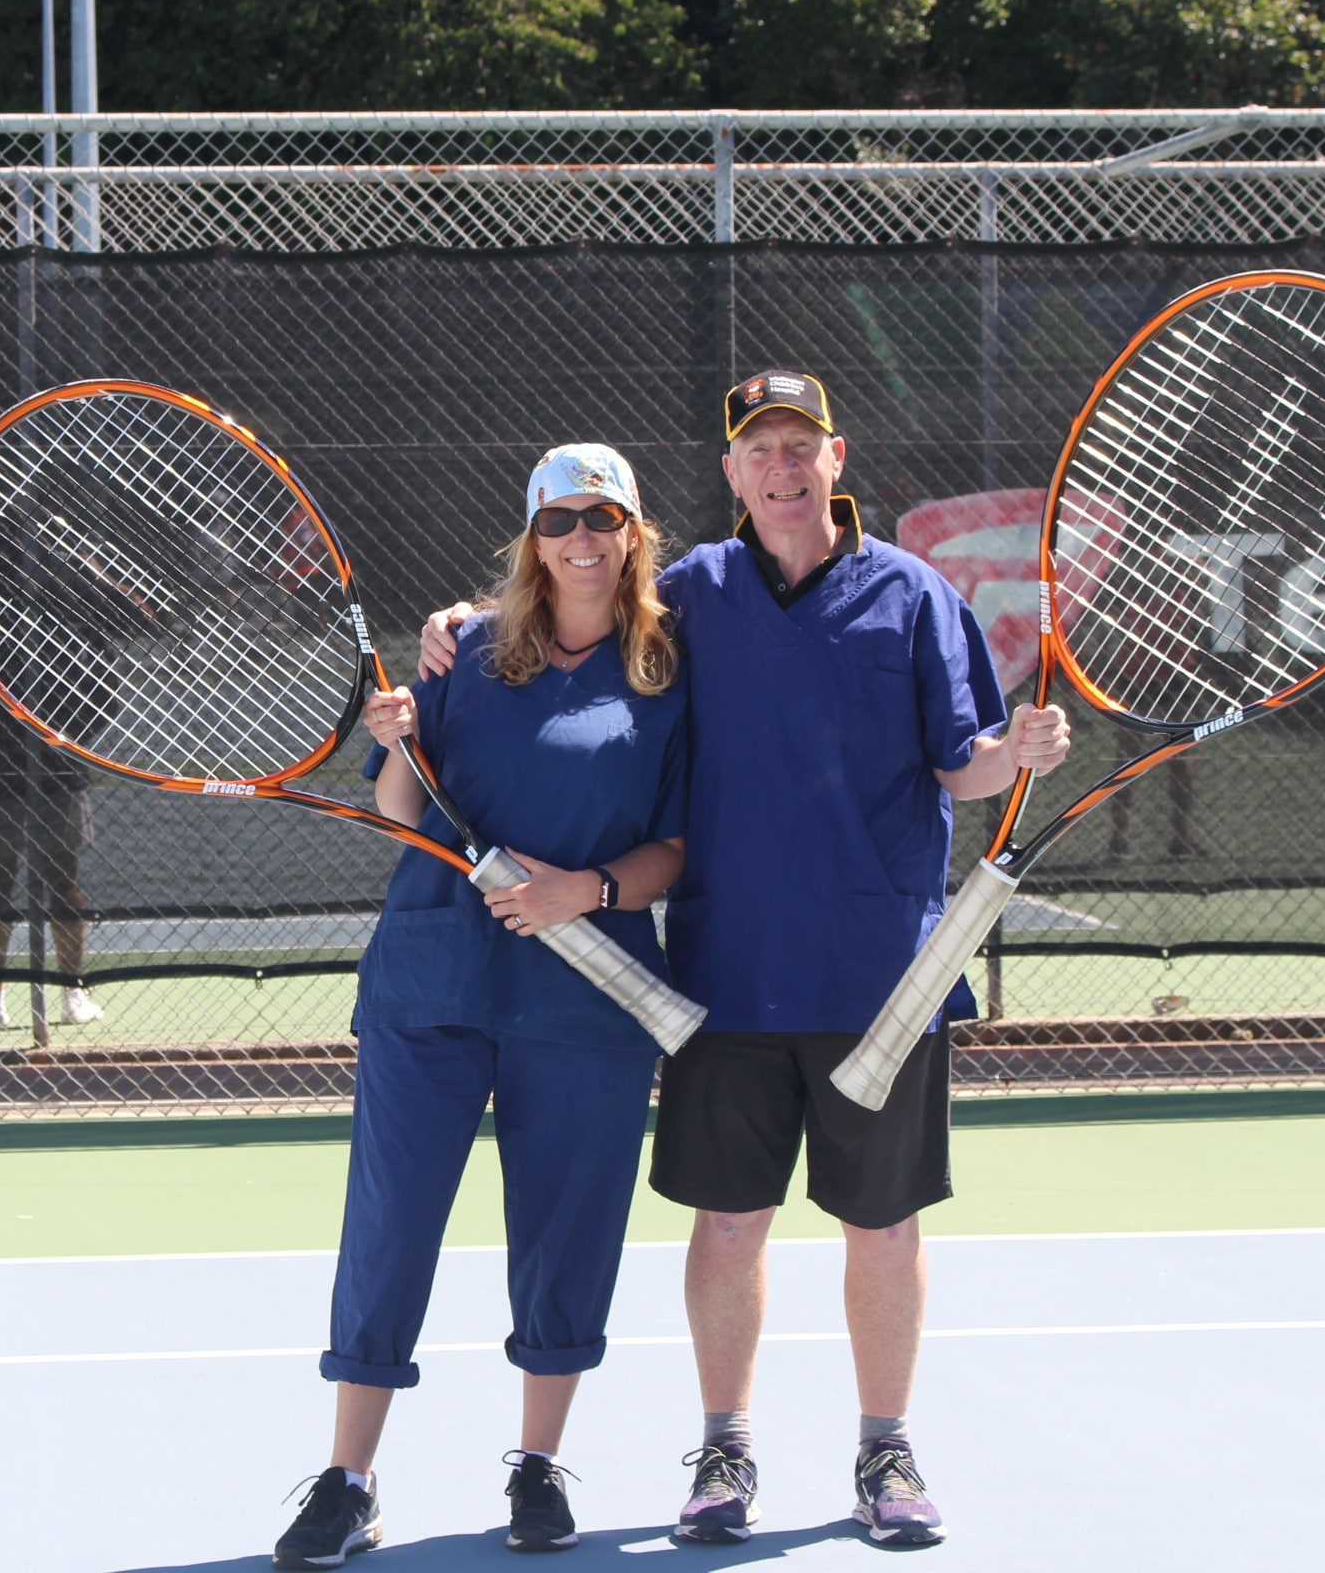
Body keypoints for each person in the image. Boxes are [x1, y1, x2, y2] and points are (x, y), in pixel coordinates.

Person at [419, 373, 1069, 1548]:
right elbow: (573, 595)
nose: (780, 465)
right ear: (731, 473)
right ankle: (725, 1447)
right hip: (725, 972)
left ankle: (885, 1451)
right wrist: (462, 621)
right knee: (728, 1223)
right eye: (758, 448)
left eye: (799, 445)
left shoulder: (917, 598)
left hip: (884, 978)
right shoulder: (690, 596)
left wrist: (1013, 749)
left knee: (884, 1227)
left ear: (836, 457)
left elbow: (963, 765)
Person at [275, 446, 691, 1569]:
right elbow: (408, 811)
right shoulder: (461, 649)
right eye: (560, 521)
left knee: (566, 1231)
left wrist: (584, 892)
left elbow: (676, 848)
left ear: (634, 530)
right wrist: (396, 732)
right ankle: (350, 1480)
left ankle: (539, 1469)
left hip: (584, 996)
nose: (582, 539)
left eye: (603, 517)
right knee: (391, 1224)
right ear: (533, 536)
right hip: (432, 980)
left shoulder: (668, 670)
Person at [0, 627, 104, 1030]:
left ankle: (64, 992)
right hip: (6, 769)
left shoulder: (62, 601)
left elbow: (101, 684)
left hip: (41, 769)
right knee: (5, 880)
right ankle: (3, 998)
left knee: (49, 878)